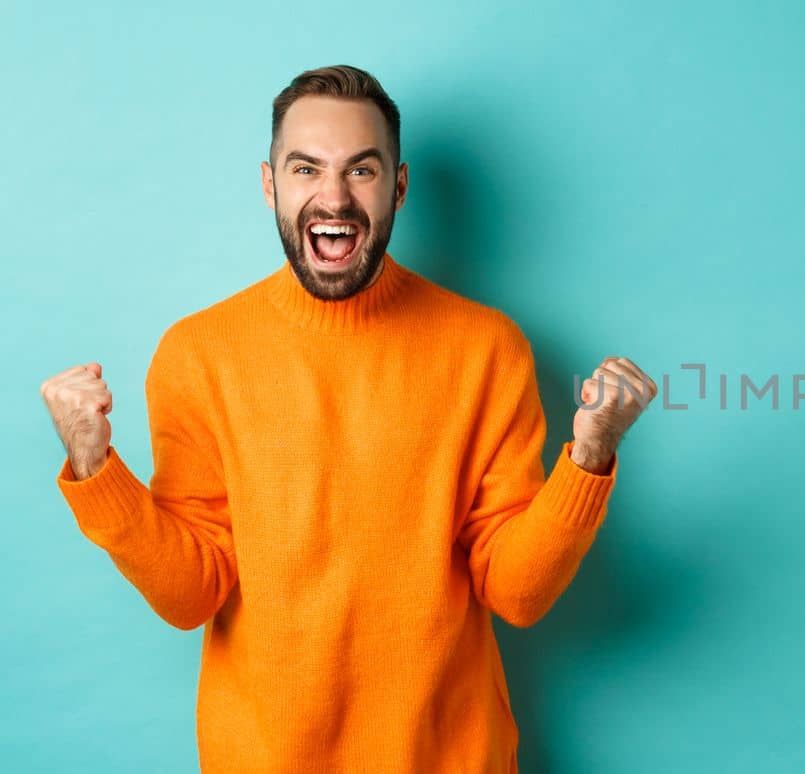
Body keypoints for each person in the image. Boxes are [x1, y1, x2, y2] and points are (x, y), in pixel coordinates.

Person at [37, 64, 657, 773]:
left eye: (361, 171)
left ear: (398, 186)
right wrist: (94, 468)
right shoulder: (199, 354)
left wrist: (590, 457)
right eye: (307, 169)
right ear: (271, 184)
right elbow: (189, 594)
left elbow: (514, 594)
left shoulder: (487, 348)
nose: (333, 197)